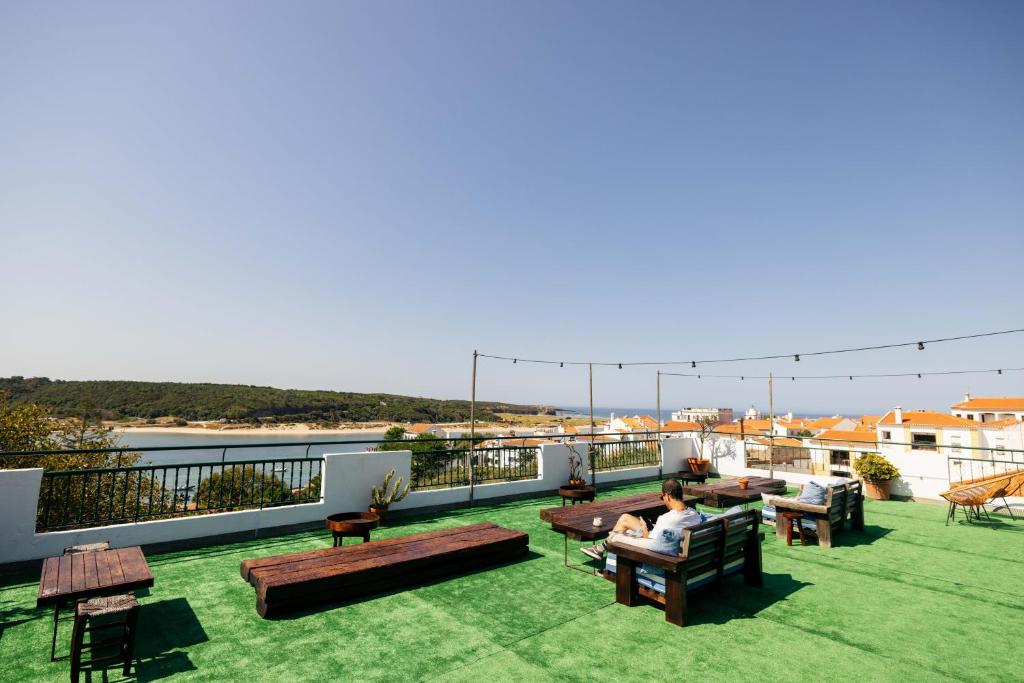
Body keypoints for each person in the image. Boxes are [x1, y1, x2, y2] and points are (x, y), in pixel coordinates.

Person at [580, 478, 700, 561]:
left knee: (619, 533)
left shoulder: (667, 518)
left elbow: (651, 542)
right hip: (675, 540)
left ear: (668, 496)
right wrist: (652, 526)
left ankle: (606, 556)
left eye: (662, 497)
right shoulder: (694, 513)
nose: (663, 500)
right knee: (625, 518)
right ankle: (600, 549)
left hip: (660, 547)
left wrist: (644, 527)